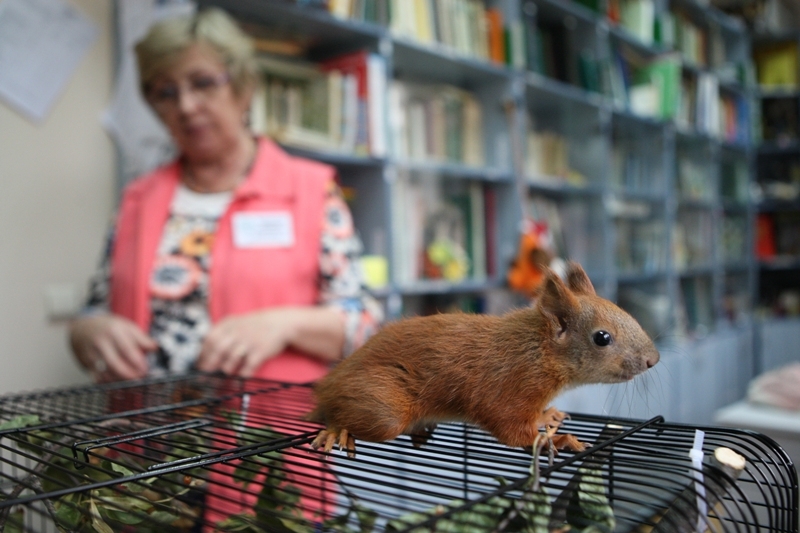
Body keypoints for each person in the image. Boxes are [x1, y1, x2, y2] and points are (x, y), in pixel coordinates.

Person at [67, 8, 384, 528]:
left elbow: (366, 322)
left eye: (202, 83)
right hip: (146, 471)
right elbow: (94, 306)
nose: (186, 106)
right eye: (165, 92)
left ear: (241, 88)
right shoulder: (137, 200)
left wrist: (281, 323)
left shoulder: (308, 190)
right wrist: (88, 331)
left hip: (271, 469)